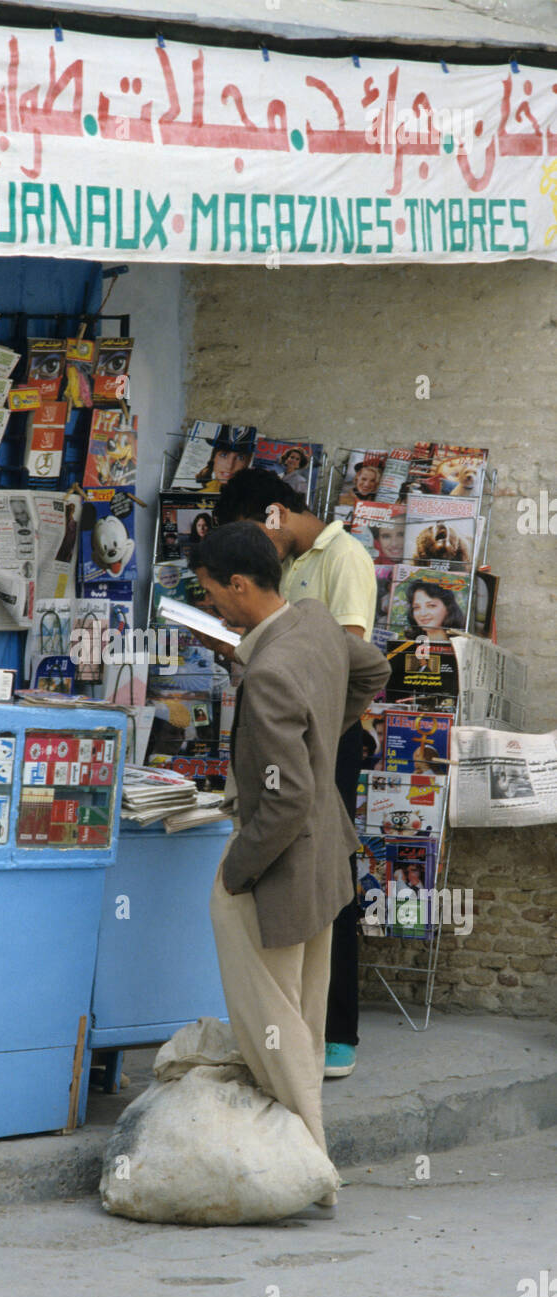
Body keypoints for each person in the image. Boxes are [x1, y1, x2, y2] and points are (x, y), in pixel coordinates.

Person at [191, 523, 390, 1193]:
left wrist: (236, 869)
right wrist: (325, 727)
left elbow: (284, 800)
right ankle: (303, 1159)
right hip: (325, 857)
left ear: (240, 587)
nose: (213, 604)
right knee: (299, 1021)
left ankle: (306, 1164)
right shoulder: (313, 621)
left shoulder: (273, 670)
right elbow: (374, 668)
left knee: (275, 1026)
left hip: (280, 865)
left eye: (213, 593)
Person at [215, 469, 377, 1080]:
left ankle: (335, 1033)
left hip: (322, 739)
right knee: (294, 873)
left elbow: (352, 654)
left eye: (255, 532)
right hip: (291, 732)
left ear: (276, 515)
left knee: (326, 873)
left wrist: (330, 725)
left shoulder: (345, 558)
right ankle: (292, 1036)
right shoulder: (294, 565)